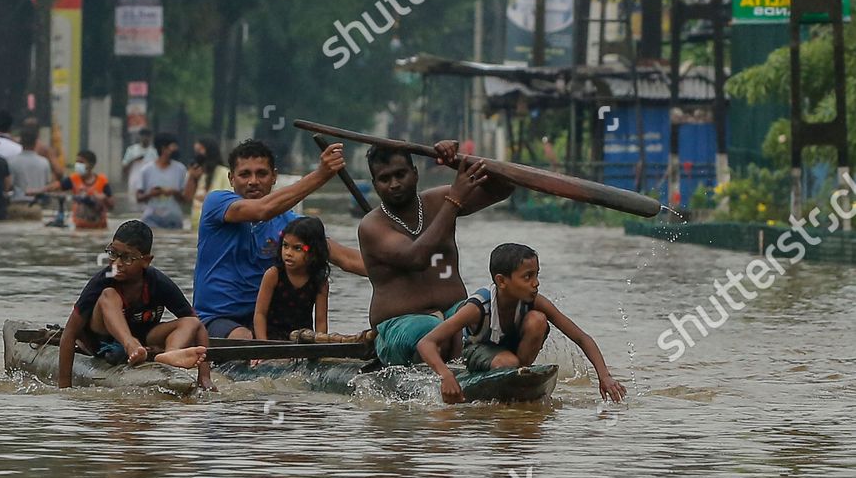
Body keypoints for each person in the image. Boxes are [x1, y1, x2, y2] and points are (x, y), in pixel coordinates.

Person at [357, 142, 513, 367]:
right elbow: (416, 258)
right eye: (384, 179)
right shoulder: (371, 226)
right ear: (375, 184)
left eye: (401, 174)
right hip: (401, 325)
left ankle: (475, 368)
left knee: (488, 314)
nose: (394, 184)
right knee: (433, 331)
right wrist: (453, 202)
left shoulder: (439, 200)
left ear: (415, 173)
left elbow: (503, 187)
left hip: (455, 312)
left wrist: (459, 162)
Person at [193, 138, 366, 340]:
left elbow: (346, 259)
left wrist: (404, 270)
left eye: (262, 174)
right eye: (244, 174)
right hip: (216, 319)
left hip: (268, 321)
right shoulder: (216, 203)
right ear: (231, 179)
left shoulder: (291, 226)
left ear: (274, 177)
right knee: (244, 337)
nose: (253, 181)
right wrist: (321, 174)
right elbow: (262, 210)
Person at [416, 243, 627, 404]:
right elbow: (426, 343)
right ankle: (513, 372)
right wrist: (445, 375)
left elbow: (582, 337)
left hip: (515, 355)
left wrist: (604, 376)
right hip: (480, 350)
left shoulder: (535, 301)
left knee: (538, 320)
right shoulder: (478, 307)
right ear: (501, 281)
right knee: (507, 363)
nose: (536, 283)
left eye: (536, 275)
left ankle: (521, 373)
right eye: (527, 277)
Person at [55, 220, 211, 390]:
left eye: (128, 258)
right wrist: (64, 387)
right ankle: (131, 345)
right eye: (113, 254)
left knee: (191, 322)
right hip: (104, 342)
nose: (117, 264)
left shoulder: (158, 282)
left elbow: (198, 327)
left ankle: (170, 354)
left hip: (144, 340)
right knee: (108, 294)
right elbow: (69, 334)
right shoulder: (103, 280)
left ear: (146, 261)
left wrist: (204, 377)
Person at [253, 216, 330, 341]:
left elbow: (321, 321)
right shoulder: (273, 275)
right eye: (285, 245)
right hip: (271, 338)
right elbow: (260, 314)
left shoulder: (319, 281)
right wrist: (263, 346)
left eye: (297, 248)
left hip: (301, 339)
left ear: (313, 252)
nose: (288, 253)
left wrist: (319, 348)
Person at [31, 149, 113, 229]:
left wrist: (104, 198)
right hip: (79, 227)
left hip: (99, 227)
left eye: (81, 162)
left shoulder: (102, 181)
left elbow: (112, 205)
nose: (78, 165)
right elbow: (56, 186)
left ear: (91, 165)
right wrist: (38, 191)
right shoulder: (74, 179)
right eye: (77, 162)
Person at [135, 133, 191, 229]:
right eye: (173, 146)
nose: (176, 149)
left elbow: (186, 199)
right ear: (163, 148)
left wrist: (174, 192)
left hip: (174, 219)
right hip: (151, 218)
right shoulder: (146, 170)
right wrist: (151, 194)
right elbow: (138, 197)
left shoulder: (180, 169)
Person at [183, 137, 231, 228]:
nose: (197, 155)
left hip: (217, 226)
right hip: (195, 225)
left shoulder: (223, 173)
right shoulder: (193, 173)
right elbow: (187, 199)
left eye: (199, 151)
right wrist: (192, 178)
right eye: (195, 152)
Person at [9, 121, 55, 204]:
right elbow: (48, 183)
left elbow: (10, 185)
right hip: (39, 205)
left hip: (18, 205)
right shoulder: (44, 162)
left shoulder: (12, 162)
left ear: (21, 142)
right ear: (35, 142)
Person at [122, 127, 153, 193]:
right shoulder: (131, 150)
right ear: (140, 136)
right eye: (143, 135)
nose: (145, 138)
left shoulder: (154, 152)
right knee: (133, 202)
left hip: (149, 183)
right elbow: (124, 167)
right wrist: (134, 160)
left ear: (150, 137)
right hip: (134, 182)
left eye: (147, 136)